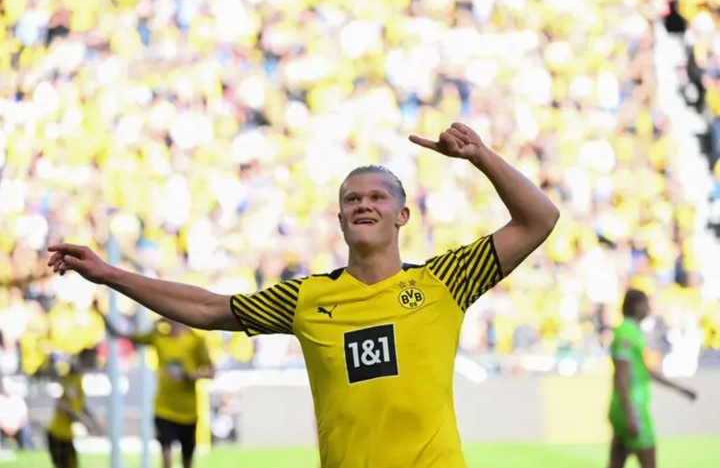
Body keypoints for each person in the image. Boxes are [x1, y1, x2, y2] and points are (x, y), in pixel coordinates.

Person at [46, 122, 560, 467]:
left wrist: (479, 156)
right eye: (352, 199)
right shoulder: (307, 298)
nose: (364, 205)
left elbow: (539, 219)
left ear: (402, 215)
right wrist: (109, 274)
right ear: (340, 219)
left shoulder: (445, 280)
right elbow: (206, 307)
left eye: (378, 197)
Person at [97, 312, 214, 468]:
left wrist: (191, 375)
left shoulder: (196, 340)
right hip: (164, 409)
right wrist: (100, 313)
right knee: (166, 456)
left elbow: (211, 371)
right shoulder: (159, 338)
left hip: (188, 411)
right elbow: (124, 336)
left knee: (187, 460)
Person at [607, 289, 698, 468]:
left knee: (616, 463)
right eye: (645, 304)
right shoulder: (626, 333)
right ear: (635, 305)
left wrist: (680, 389)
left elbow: (645, 372)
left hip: (624, 407)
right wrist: (630, 413)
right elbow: (621, 375)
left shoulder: (631, 331)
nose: (649, 308)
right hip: (633, 407)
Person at [46, 347, 103, 468]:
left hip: (66, 435)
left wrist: (94, 422)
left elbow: (80, 406)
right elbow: (63, 406)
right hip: (57, 434)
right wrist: (85, 423)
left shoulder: (79, 378)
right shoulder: (70, 376)